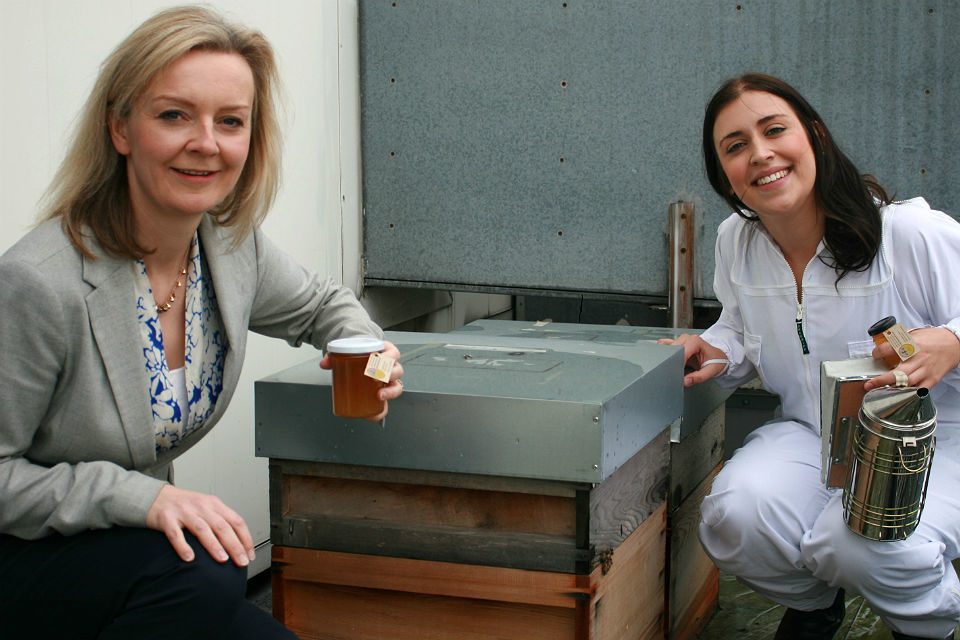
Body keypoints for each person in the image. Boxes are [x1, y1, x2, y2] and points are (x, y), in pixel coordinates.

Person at [0, 6, 404, 639]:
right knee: (212, 568)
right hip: (25, 561)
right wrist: (142, 498)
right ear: (121, 128)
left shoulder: (227, 248)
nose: (207, 142)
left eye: (231, 121)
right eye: (173, 115)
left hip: (133, 566)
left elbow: (326, 305)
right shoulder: (38, 282)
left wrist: (372, 359)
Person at [660, 73, 960, 640]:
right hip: (817, 433)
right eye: (736, 145)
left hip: (937, 440)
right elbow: (741, 328)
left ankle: (929, 626)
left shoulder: (908, 234)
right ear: (724, 174)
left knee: (856, 544)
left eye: (774, 130)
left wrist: (953, 341)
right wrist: (713, 347)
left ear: (815, 136)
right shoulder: (736, 242)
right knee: (735, 515)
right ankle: (815, 607)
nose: (760, 154)